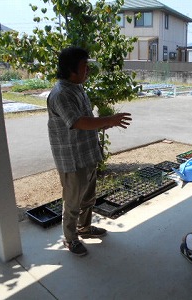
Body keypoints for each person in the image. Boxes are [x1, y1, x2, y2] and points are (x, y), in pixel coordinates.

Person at [47, 46, 132, 256]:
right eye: (85, 66)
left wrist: (104, 124)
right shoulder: (61, 93)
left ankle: (84, 228)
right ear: (71, 69)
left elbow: (86, 119)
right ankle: (70, 238)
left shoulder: (77, 87)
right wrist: (109, 119)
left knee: (87, 198)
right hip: (72, 159)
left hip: (87, 154)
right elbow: (76, 121)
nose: (88, 71)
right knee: (73, 202)